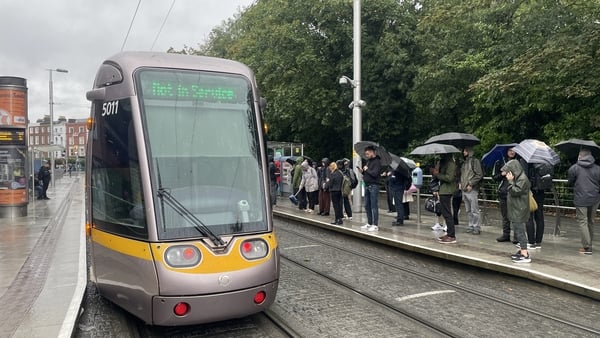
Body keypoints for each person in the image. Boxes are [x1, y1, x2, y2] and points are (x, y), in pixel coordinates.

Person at [567, 149, 600, 255]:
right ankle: (589, 245)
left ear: (580, 156)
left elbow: (570, 181)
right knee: (591, 221)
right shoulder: (598, 168)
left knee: (583, 222)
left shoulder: (575, 168)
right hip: (595, 198)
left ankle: (587, 247)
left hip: (581, 198)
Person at [502, 159, 532, 263]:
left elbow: (516, 191)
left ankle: (525, 253)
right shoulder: (518, 178)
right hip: (516, 208)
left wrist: (510, 181)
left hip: (519, 209)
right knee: (517, 230)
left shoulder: (522, 179)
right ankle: (521, 250)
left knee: (520, 231)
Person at [432, 153, 457, 243]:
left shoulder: (451, 164)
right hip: (443, 190)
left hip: (447, 191)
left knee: (447, 213)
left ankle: (451, 235)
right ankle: (450, 233)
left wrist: (438, 174)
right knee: (445, 212)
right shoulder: (444, 163)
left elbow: (449, 178)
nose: (440, 155)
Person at [494, 148, 517, 242]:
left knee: (516, 216)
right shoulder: (500, 162)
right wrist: (502, 174)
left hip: (515, 192)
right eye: (510, 150)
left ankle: (517, 236)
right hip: (503, 192)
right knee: (505, 216)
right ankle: (506, 234)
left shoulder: (518, 163)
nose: (512, 152)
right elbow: (494, 177)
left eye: (513, 150)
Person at [460, 147, 484, 235]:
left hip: (472, 189)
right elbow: (462, 175)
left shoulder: (475, 161)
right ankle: (471, 225)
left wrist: (471, 184)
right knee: (468, 209)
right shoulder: (464, 162)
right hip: (464, 188)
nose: (464, 152)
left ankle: (476, 226)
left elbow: (479, 174)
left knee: (474, 209)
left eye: (466, 150)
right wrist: (460, 183)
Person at [357, 146, 381, 231]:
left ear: (372, 152)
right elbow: (368, 173)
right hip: (367, 185)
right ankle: (369, 223)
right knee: (367, 205)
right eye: (366, 154)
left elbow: (375, 174)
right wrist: (362, 171)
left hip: (373, 186)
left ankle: (375, 224)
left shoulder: (377, 161)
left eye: (367, 153)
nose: (366, 155)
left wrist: (367, 170)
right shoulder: (369, 161)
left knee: (373, 205)